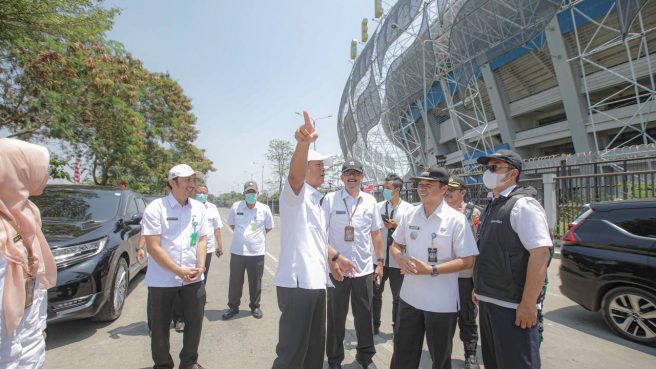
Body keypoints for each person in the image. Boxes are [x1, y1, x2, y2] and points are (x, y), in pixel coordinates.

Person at [271, 111, 356, 369]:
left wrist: (335, 259)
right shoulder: (294, 195)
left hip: (317, 284)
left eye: (323, 165)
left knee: (312, 354)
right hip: (298, 286)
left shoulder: (318, 201)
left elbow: (317, 240)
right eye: (318, 164)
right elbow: (294, 177)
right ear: (305, 166)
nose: (323, 169)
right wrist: (302, 142)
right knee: (291, 356)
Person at [389, 166, 478, 369]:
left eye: (429, 185)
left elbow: (467, 261)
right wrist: (400, 258)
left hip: (441, 303)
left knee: (439, 358)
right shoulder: (410, 214)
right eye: (420, 184)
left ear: (444, 188)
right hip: (409, 298)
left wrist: (431, 270)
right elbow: (396, 244)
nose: (423, 188)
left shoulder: (456, 220)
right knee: (403, 354)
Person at [473, 150, 552, 369]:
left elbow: (540, 254)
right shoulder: (494, 204)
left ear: (513, 173)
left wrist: (528, 304)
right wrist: (478, 287)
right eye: (487, 168)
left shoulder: (523, 205)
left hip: (513, 306)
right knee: (494, 362)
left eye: (494, 167)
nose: (488, 173)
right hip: (490, 299)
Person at [142, 164, 210, 369]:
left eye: (194, 180)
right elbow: (153, 247)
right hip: (163, 280)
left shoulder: (199, 208)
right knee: (160, 326)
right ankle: (163, 364)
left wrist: (200, 266)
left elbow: (201, 239)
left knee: (195, 322)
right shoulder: (156, 208)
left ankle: (189, 362)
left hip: (193, 278)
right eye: (187, 180)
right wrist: (178, 270)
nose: (192, 185)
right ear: (172, 182)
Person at [0, 138, 57, 369]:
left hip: (28, 337)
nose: (45, 175)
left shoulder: (27, 214)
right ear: (19, 171)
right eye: (39, 168)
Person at [323, 159, 384, 369]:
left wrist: (380, 262)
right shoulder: (330, 199)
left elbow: (376, 232)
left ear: (362, 177)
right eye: (347, 173)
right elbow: (320, 234)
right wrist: (332, 260)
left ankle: (365, 356)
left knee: (364, 316)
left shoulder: (370, 201)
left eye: (356, 173)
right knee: (335, 318)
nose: (351, 176)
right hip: (337, 269)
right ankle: (334, 360)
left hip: (363, 269)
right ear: (341, 177)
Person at [222, 180, 274, 320]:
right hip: (238, 252)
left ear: (257, 193)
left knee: (255, 281)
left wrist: (254, 238)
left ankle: (255, 306)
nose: (251, 194)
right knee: (235, 281)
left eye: (253, 192)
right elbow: (232, 224)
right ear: (244, 193)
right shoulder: (236, 207)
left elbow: (268, 227)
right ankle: (233, 307)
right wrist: (243, 237)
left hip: (256, 252)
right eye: (248, 192)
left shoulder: (264, 209)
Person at [445, 176, 482, 369]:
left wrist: (478, 282)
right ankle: (443, 356)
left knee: (467, 317)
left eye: (453, 189)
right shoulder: (438, 212)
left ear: (463, 192)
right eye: (446, 189)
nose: (448, 193)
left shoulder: (473, 213)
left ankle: (471, 355)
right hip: (442, 277)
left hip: (465, 277)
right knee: (444, 319)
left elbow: (480, 246)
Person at [373, 173, 414, 335]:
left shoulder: (409, 210)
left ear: (397, 189)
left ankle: (397, 327)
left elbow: (412, 234)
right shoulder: (378, 207)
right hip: (379, 260)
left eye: (388, 188)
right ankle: (373, 325)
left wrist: (397, 226)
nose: (385, 191)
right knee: (375, 294)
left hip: (398, 261)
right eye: (384, 188)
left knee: (398, 297)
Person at [195, 185, 224, 282]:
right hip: (192, 246)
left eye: (204, 193)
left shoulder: (212, 207)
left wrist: (220, 245)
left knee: (203, 273)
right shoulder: (190, 206)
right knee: (193, 273)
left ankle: (201, 294)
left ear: (207, 194)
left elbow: (217, 228)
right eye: (199, 192)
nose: (202, 195)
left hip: (208, 247)